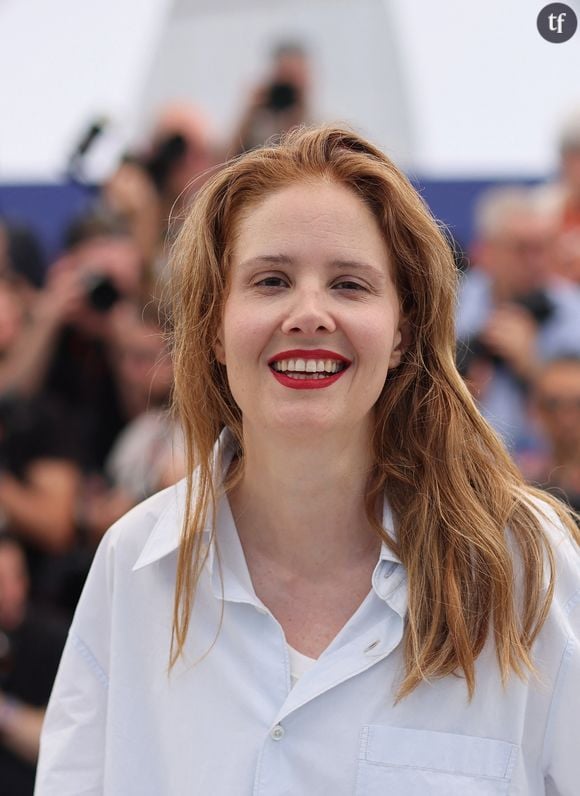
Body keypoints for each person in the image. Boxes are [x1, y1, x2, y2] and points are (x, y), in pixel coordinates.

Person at [35, 126, 580, 795]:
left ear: (404, 330)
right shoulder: (136, 566)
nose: (309, 313)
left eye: (350, 284)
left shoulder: (524, 562)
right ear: (213, 327)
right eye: (270, 280)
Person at [456, 185, 580, 454]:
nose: (535, 262)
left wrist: (532, 368)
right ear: (485, 251)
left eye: (543, 248)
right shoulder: (451, 306)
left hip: (553, 474)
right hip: (464, 463)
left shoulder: (573, 312)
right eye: (522, 249)